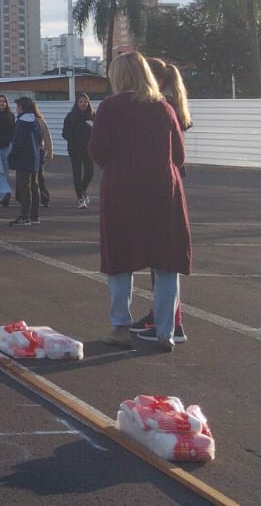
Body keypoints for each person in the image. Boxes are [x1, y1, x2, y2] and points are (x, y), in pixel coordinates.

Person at [88, 52, 191, 353]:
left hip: (121, 190)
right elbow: (179, 155)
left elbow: (97, 151)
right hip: (163, 191)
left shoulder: (110, 107)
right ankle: (166, 331)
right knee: (166, 260)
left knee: (120, 259)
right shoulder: (163, 107)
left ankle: (120, 327)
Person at [128, 57, 194, 344]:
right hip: (170, 179)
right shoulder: (172, 103)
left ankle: (171, 322)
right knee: (163, 259)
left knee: (163, 259)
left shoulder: (160, 106)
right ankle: (162, 316)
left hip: (161, 182)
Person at [7, 97, 45, 227]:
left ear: (22, 108)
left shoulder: (22, 123)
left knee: (25, 188)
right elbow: (40, 140)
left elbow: (18, 142)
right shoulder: (35, 121)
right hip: (34, 158)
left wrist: (12, 156)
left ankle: (25, 216)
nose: (16, 109)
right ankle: (34, 216)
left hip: (23, 159)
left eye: (18, 106)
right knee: (34, 186)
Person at [63, 92, 96, 210]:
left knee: (90, 172)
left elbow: (98, 132)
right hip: (75, 149)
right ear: (77, 103)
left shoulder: (93, 116)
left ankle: (83, 189)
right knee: (77, 173)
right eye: (81, 102)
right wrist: (75, 139)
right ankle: (80, 198)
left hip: (88, 149)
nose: (83, 104)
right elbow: (65, 134)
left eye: (85, 102)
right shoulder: (71, 116)